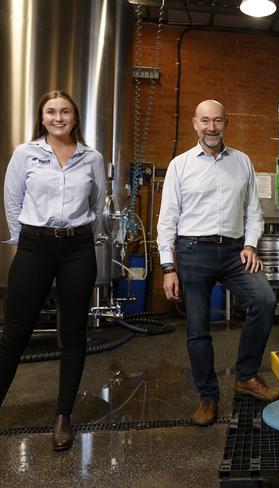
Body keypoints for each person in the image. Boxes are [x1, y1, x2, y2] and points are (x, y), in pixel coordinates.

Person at [157, 99, 278, 427]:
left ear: (226, 123)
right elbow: (168, 218)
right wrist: (168, 267)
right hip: (193, 251)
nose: (212, 128)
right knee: (197, 328)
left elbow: (253, 210)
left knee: (265, 300)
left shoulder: (242, 162)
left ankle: (246, 376)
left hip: (235, 251)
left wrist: (251, 244)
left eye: (218, 121)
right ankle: (208, 397)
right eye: (205, 121)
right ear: (195, 124)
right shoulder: (180, 165)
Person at [0, 90, 106, 451]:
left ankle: (63, 416)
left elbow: (97, 203)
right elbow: (12, 199)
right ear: (42, 117)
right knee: (15, 332)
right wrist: (27, 239)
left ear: (75, 117)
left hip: (77, 248)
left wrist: (74, 234)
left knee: (74, 334)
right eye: (50, 112)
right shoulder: (26, 153)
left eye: (65, 111)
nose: (58, 117)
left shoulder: (92, 158)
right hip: (34, 245)